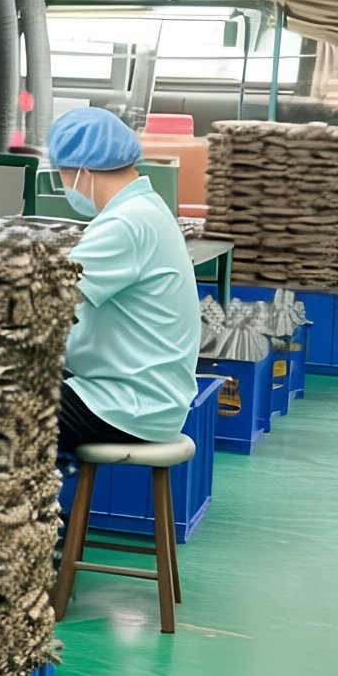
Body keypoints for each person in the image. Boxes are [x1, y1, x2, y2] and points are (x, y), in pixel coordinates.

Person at [48, 106, 205, 452]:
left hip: (125, 404)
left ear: (82, 171)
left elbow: (46, 298)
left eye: (60, 173)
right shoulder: (144, 209)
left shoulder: (125, 224)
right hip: (142, 394)